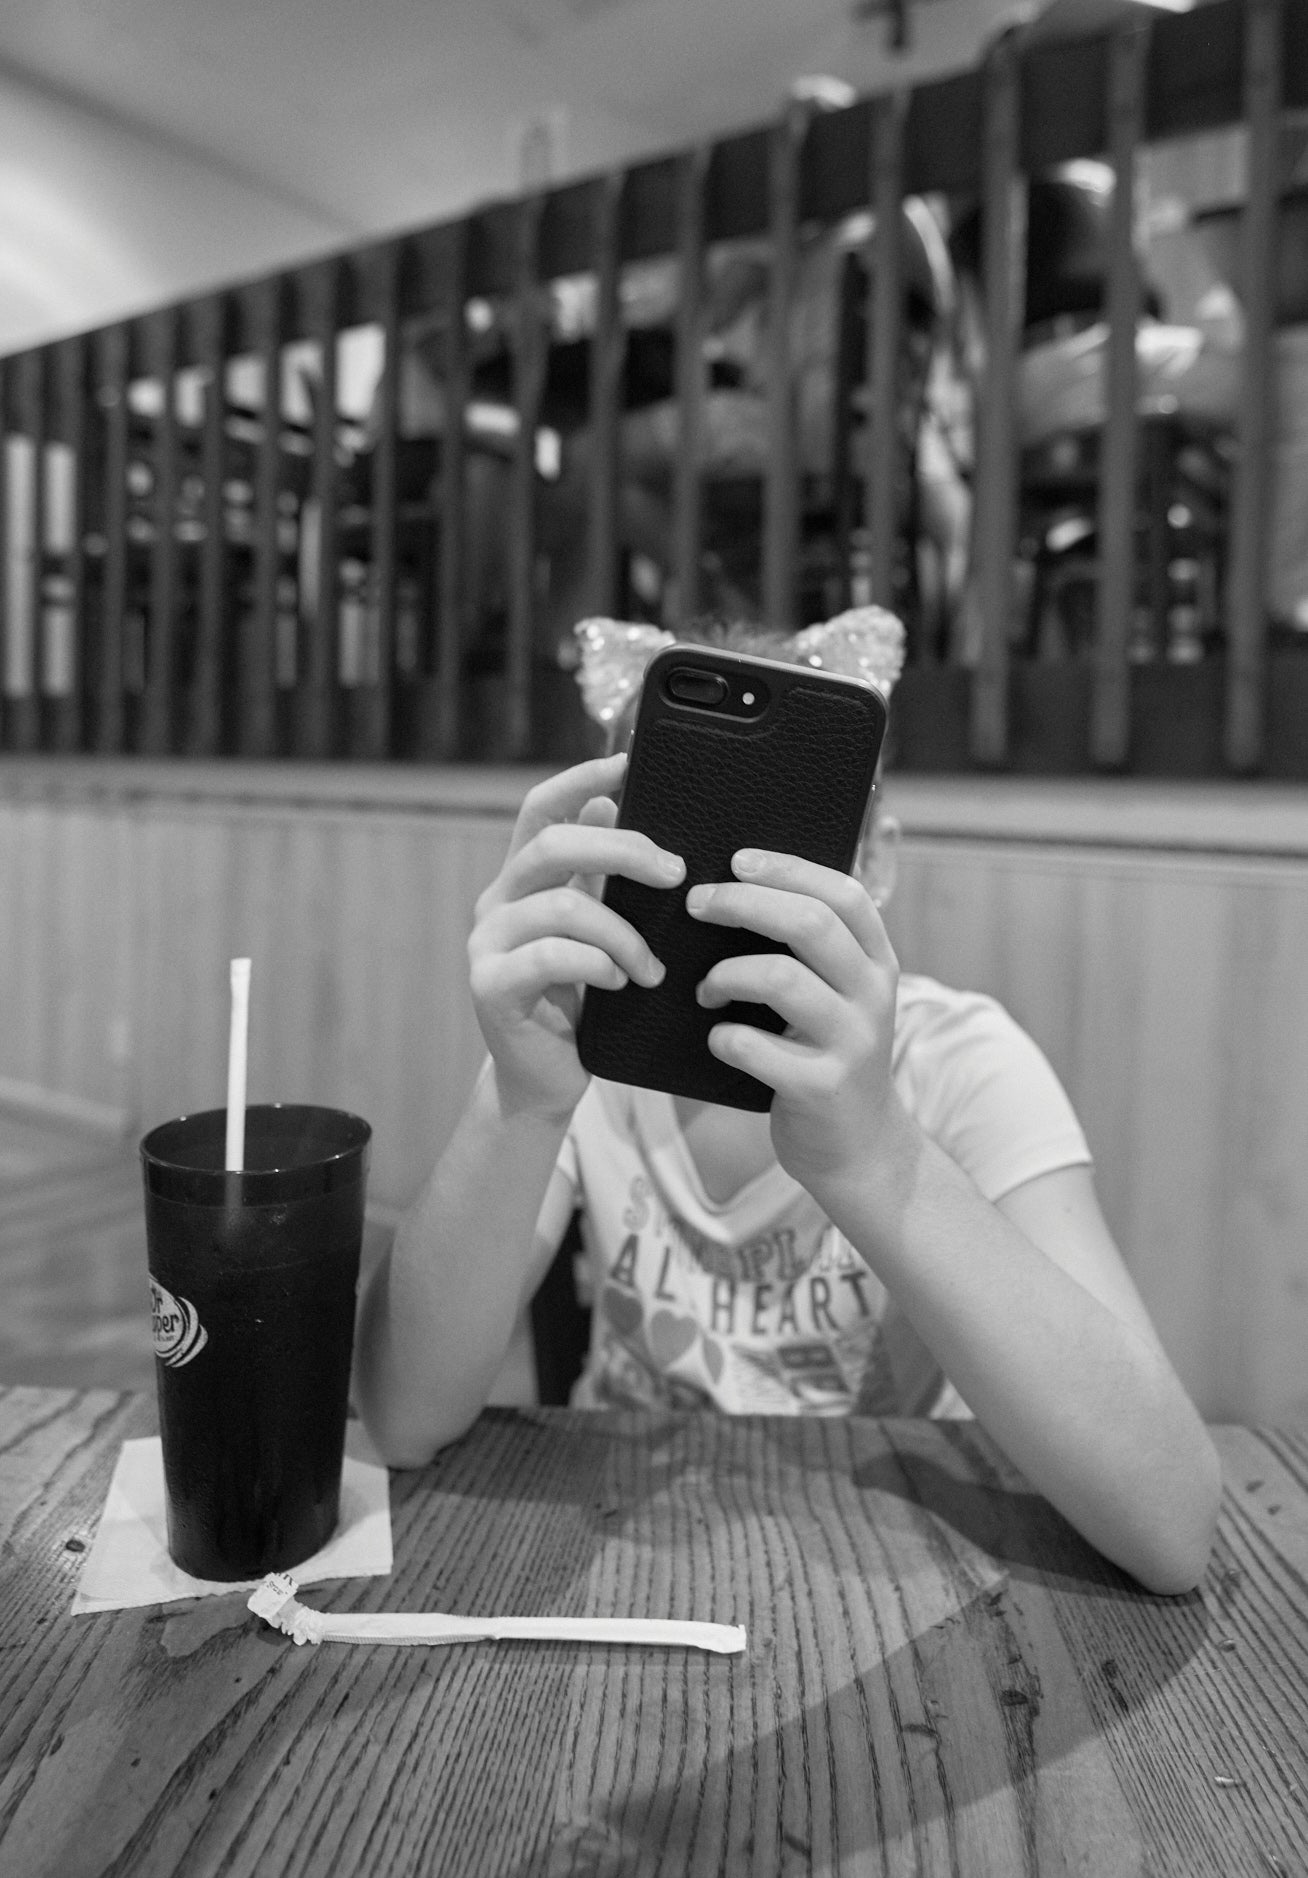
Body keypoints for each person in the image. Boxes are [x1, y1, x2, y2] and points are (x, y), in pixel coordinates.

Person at [354, 606, 1221, 1596]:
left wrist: (874, 1154)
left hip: (883, 1578)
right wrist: (520, 1101)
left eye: (789, 840)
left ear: (878, 861)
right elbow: (402, 1417)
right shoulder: (578, 1052)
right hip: (619, 1565)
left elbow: (1172, 1524)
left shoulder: (958, 1064)